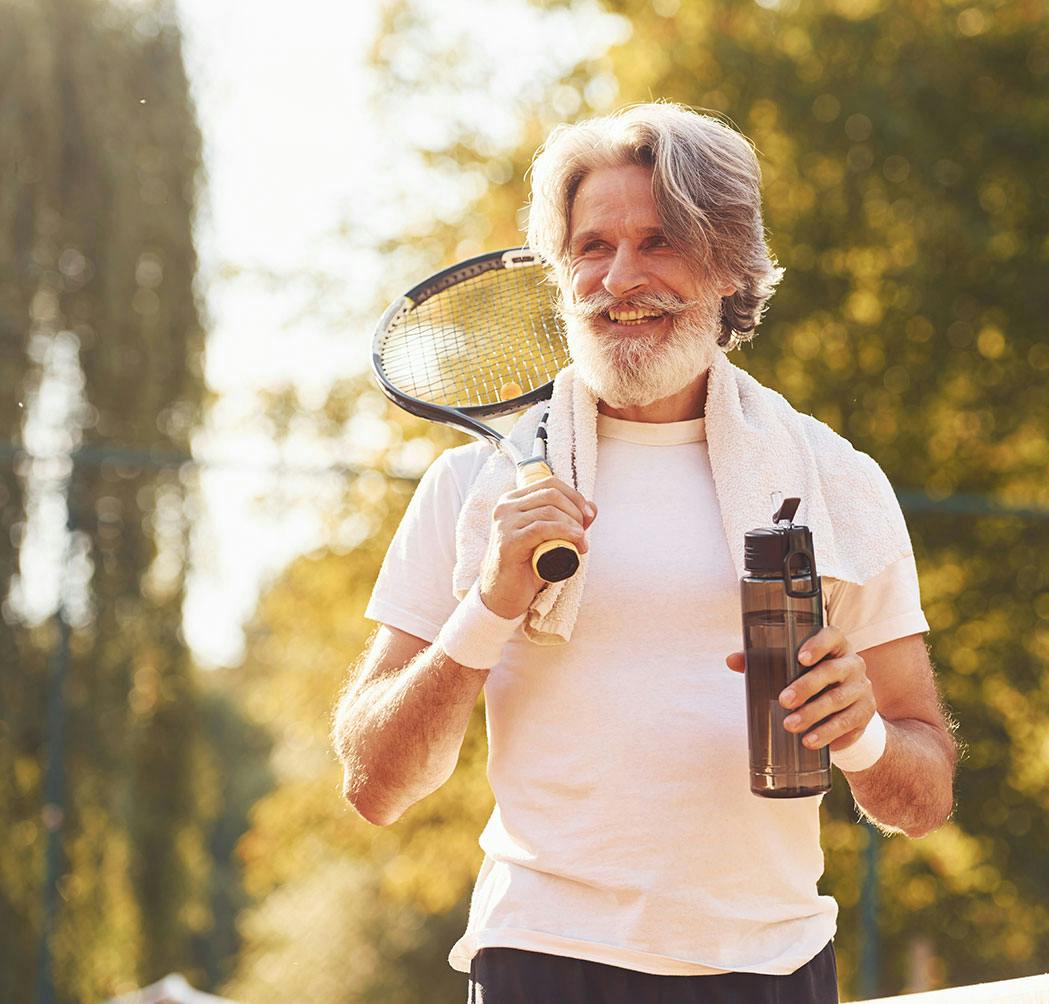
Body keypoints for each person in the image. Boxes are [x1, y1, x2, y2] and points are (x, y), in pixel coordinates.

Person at [332, 102, 958, 1004]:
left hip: (771, 967)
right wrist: (491, 604)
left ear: (729, 267)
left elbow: (923, 797)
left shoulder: (835, 482)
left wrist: (858, 731)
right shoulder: (475, 489)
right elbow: (374, 784)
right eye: (592, 247)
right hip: (541, 955)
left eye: (660, 242)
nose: (620, 279)